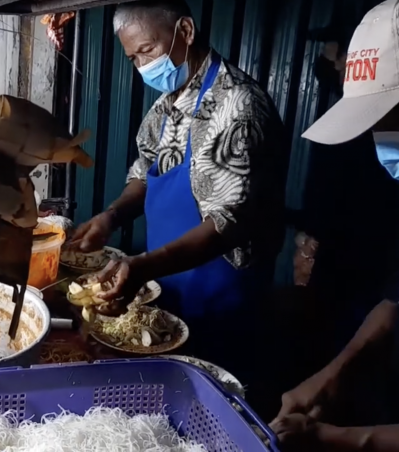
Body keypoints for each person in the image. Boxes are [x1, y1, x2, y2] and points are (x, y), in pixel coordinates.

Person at [271, 0, 399, 450]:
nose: (383, 137)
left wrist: (359, 440)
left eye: (393, 115)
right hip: (397, 412)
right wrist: (335, 373)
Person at [69, 0, 289, 392]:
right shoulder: (166, 106)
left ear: (185, 32)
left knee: (217, 398)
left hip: (222, 300)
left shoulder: (237, 107)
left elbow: (227, 224)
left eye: (148, 51)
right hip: (169, 288)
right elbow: (145, 174)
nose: (143, 67)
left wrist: (142, 267)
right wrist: (112, 217)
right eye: (133, 58)